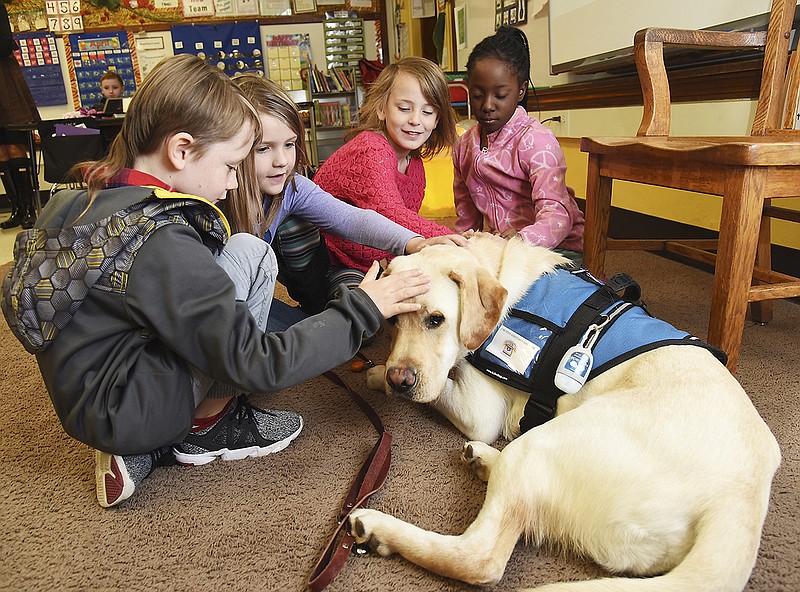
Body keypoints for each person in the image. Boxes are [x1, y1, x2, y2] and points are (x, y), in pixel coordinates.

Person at [0, 54, 432, 509]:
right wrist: (365, 306)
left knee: (259, 287)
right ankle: (205, 426)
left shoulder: (78, 199)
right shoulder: (164, 242)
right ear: (181, 150)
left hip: (90, 396)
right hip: (131, 411)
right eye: (231, 165)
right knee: (259, 271)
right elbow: (259, 363)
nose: (231, 182)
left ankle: (143, 438)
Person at [223, 74, 466, 317]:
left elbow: (352, 219)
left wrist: (414, 242)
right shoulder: (217, 195)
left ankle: (318, 309)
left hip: (346, 269)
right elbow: (390, 210)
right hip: (222, 308)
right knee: (320, 332)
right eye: (263, 148)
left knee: (357, 322)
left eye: (289, 145)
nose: (282, 162)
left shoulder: (291, 185)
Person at [311, 56, 459, 297]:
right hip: (328, 261)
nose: (415, 120)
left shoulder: (415, 164)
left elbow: (405, 226)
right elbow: (391, 214)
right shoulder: (372, 148)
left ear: (437, 119)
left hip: (368, 260)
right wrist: (450, 237)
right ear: (381, 108)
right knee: (364, 308)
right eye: (404, 108)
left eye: (428, 111)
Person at [452, 26, 584, 266]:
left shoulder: (536, 141)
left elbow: (557, 217)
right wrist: (462, 247)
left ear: (520, 90)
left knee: (518, 294)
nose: (488, 105)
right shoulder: (463, 146)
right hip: (501, 246)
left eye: (500, 95)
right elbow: (466, 217)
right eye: (478, 94)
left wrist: (523, 240)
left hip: (557, 248)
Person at [0, 2, 40, 230]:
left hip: (4, 80)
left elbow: (6, 44)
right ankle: (16, 207)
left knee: (14, 144)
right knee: (1, 151)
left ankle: (29, 209)